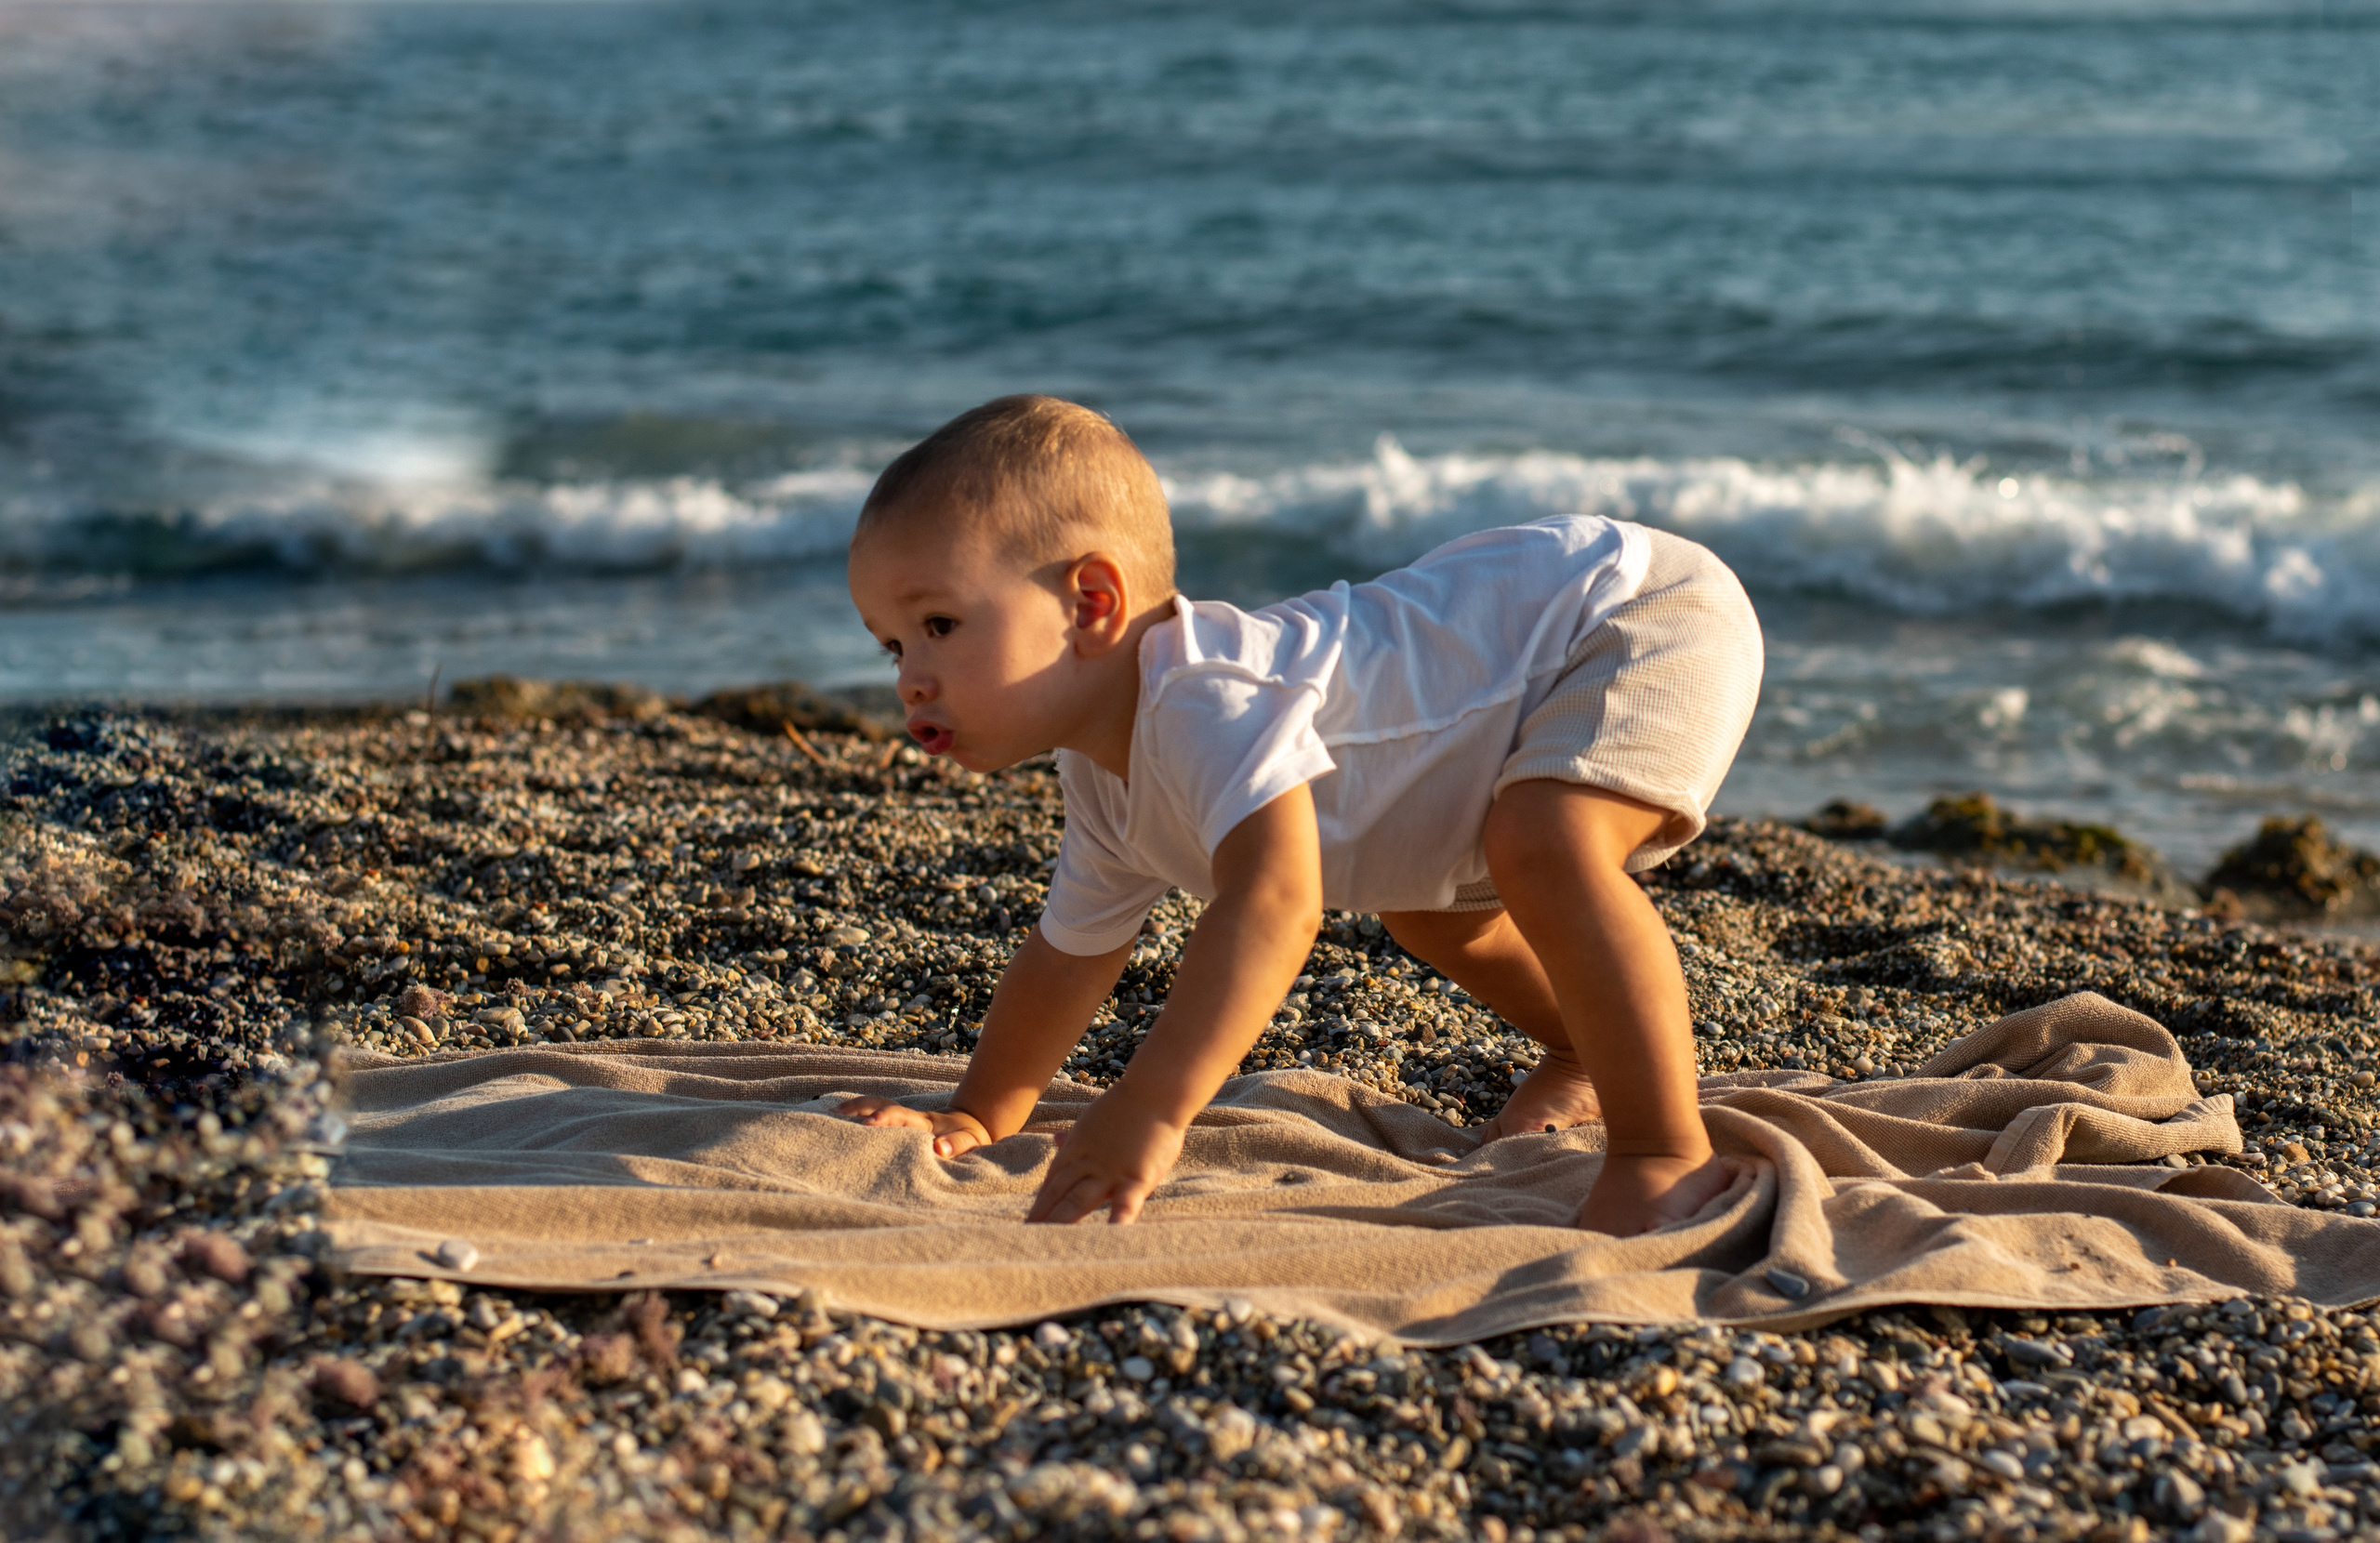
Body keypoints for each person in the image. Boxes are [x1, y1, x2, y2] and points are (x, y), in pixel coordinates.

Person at [835, 396, 1763, 1235]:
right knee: (1433, 910)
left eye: (940, 626)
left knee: (1546, 844)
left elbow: (1276, 902)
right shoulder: (1103, 776)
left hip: (1631, 612)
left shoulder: (1208, 696)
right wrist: (979, 1113)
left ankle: (1661, 1150)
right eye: (891, 646)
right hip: (1496, 692)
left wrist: (1152, 1107)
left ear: (1091, 602)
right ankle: (1579, 1045)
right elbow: (1067, 956)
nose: (912, 672)